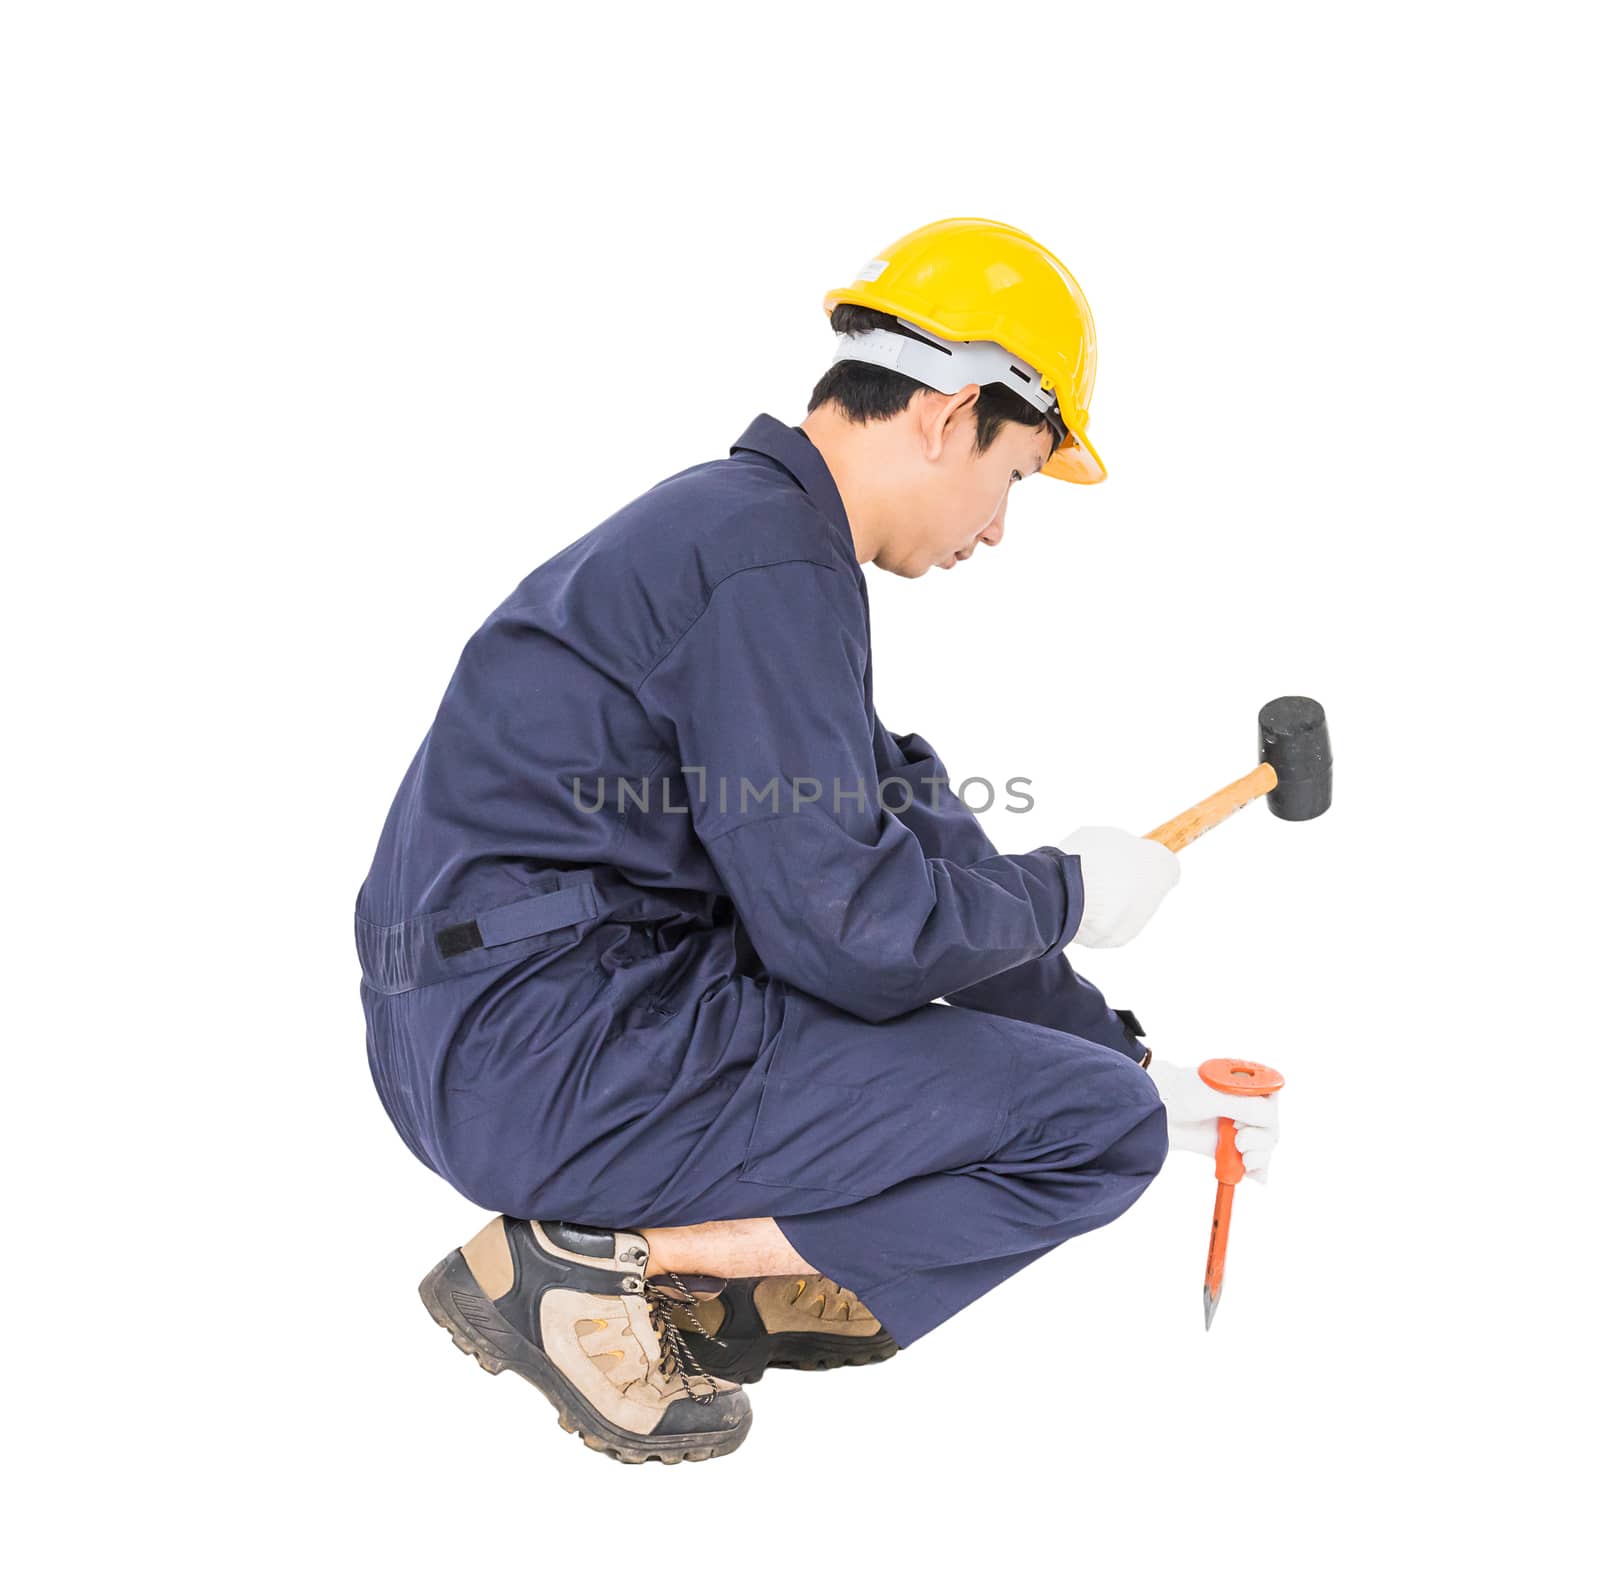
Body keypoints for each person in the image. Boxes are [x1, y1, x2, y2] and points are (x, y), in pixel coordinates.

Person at [354, 217, 1282, 1465]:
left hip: (500, 1039)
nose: (999, 528)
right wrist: (1066, 896)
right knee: (1089, 1131)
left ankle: (674, 1283)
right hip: (547, 1058)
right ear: (952, 416)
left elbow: (908, 847)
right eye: (1013, 477)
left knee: (1101, 1109)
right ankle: (598, 1275)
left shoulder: (756, 549)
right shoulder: (764, 564)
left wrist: (1128, 1064)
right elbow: (853, 936)